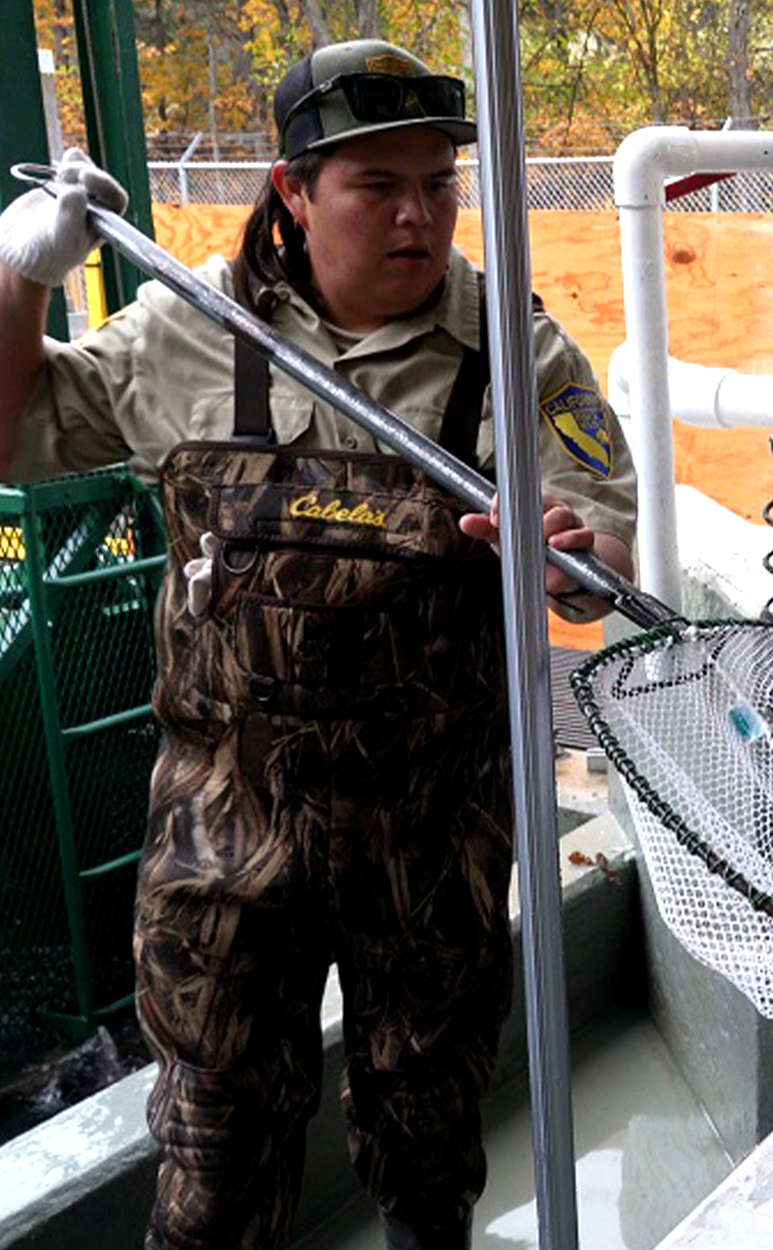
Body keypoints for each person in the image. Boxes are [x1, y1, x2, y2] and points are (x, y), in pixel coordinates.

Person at [0, 39, 638, 1250]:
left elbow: (599, 572)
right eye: (377, 184)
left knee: (430, 1133)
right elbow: (12, 430)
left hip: (433, 823)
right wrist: (16, 277)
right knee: (214, 1144)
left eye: (440, 183)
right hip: (222, 822)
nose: (420, 213)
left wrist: (568, 553)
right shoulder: (188, 331)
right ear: (294, 189)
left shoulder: (517, 348)